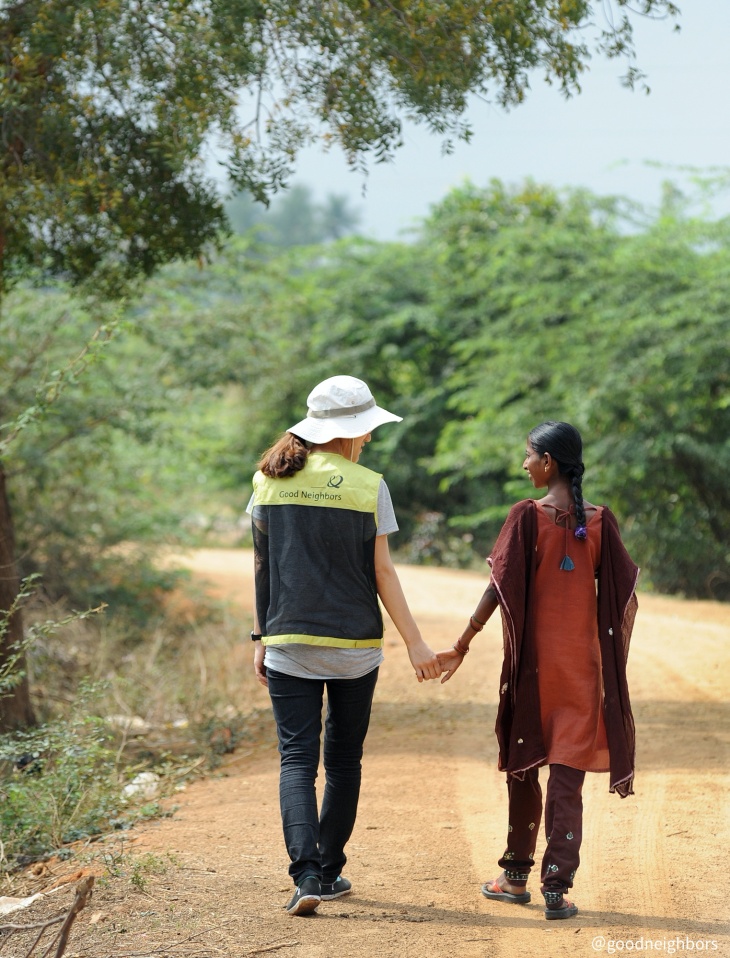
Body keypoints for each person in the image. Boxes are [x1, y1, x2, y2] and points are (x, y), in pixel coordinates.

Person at [249, 375, 441, 916]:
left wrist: (259, 635)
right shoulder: (366, 484)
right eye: (367, 431)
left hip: (288, 639)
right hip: (356, 645)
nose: (370, 440)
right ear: (349, 433)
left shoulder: (268, 481)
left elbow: (263, 566)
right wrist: (416, 643)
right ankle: (330, 869)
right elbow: (382, 570)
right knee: (344, 761)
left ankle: (306, 876)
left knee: (296, 761)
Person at [436, 421, 639, 920]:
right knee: (567, 777)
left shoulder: (526, 517)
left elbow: (497, 588)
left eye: (527, 455)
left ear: (548, 462)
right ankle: (557, 888)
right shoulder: (599, 520)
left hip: (534, 672)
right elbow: (624, 596)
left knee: (525, 769)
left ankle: (514, 876)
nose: (523, 464)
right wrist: (608, 663)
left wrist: (462, 642)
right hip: (583, 672)